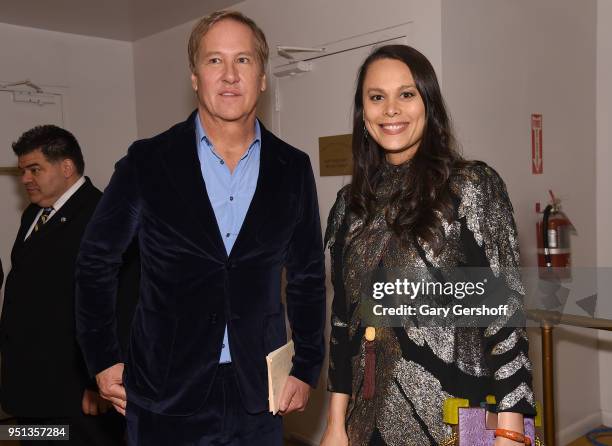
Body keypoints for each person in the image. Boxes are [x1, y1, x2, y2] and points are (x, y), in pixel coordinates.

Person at [75, 10, 326, 446]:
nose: (229, 75)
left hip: (259, 395)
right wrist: (103, 358)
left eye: (243, 60)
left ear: (263, 77)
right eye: (215, 61)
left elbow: (307, 278)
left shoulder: (293, 168)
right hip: (164, 391)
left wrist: (306, 366)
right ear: (195, 77)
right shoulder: (147, 162)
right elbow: (96, 262)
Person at [320, 45, 536, 446]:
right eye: (376, 97)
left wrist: (510, 432)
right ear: (362, 112)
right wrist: (334, 424)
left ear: (428, 103)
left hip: (456, 423)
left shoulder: (470, 188)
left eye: (406, 94)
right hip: (365, 425)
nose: (390, 110)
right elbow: (341, 326)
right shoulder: (348, 208)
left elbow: (504, 319)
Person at [0, 125, 135, 445]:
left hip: (77, 389)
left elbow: (123, 299)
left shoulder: (103, 214)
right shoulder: (33, 213)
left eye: (35, 169)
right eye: (23, 171)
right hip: (32, 383)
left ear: (66, 167)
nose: (26, 179)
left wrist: (98, 378)